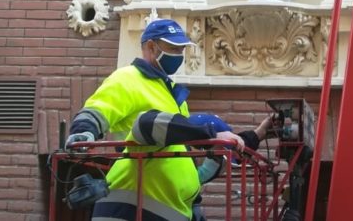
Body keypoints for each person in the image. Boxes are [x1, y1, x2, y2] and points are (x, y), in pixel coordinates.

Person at [65, 18, 245, 221]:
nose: (179, 55)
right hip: (133, 205)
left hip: (166, 207)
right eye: (174, 48)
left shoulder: (173, 96)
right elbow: (99, 108)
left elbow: (177, 149)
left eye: (181, 50)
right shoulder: (128, 78)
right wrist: (83, 131)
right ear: (151, 47)